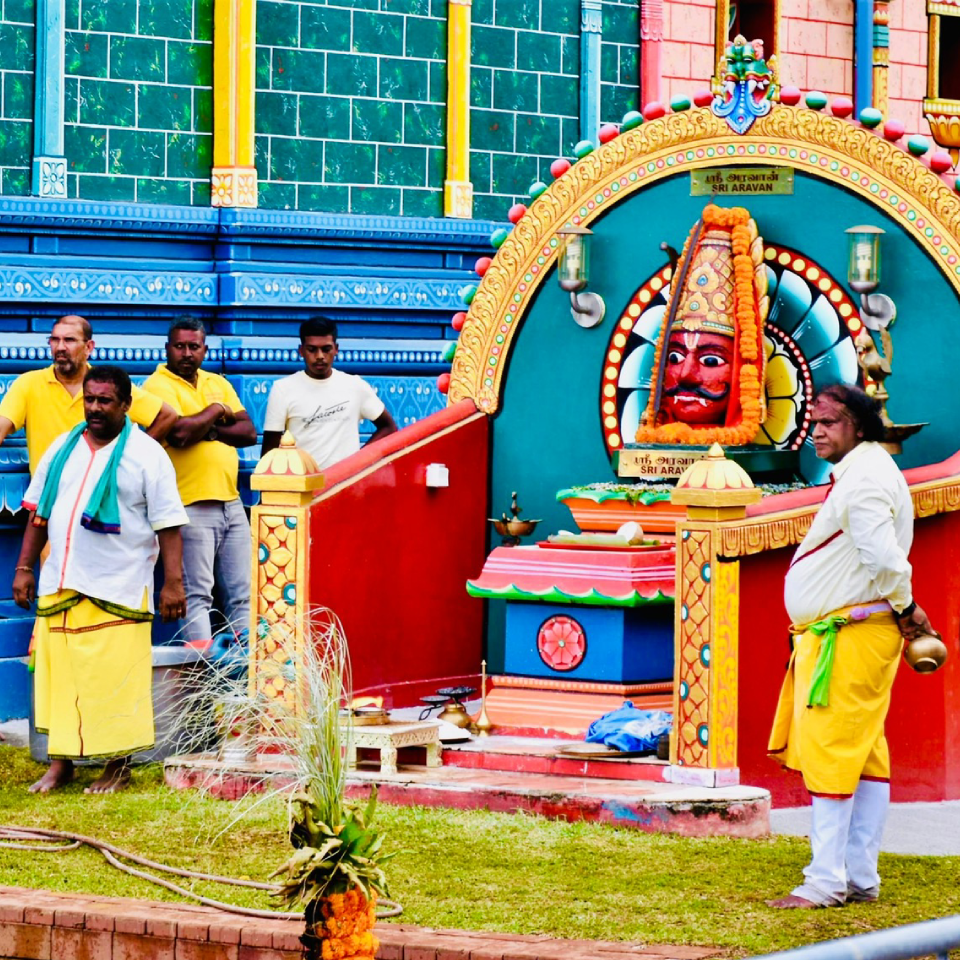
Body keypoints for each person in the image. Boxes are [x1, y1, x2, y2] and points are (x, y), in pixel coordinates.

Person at [767, 383, 937, 908]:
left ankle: (824, 882)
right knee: (863, 755)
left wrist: (908, 610)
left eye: (829, 422)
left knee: (834, 752)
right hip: (855, 631)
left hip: (852, 633)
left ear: (859, 427)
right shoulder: (866, 470)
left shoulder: (863, 479)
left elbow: (883, 557)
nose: (815, 430)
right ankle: (860, 878)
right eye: (811, 421)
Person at [12, 366, 187, 795]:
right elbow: (39, 511)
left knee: (115, 679)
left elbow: (169, 524)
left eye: (104, 401)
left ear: (126, 405)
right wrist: (24, 568)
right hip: (61, 582)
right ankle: (61, 764)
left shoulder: (147, 454)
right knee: (62, 677)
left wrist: (174, 583)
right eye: (89, 399)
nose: (94, 408)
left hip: (118, 585)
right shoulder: (62, 447)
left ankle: (117, 765)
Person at [143, 317, 257, 647]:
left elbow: (248, 432)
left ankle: (242, 680)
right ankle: (203, 684)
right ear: (167, 349)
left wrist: (205, 428)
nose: (187, 353)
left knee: (242, 595)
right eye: (180, 346)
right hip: (189, 506)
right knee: (197, 597)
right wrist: (217, 410)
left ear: (204, 349)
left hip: (232, 503)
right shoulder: (157, 386)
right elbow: (178, 433)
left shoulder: (217, 381)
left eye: (194, 346)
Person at [0, 314, 178, 473]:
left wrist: (127, 459)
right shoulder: (29, 384)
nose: (60, 347)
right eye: (54, 340)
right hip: (48, 498)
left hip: (99, 497)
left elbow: (167, 415)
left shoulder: (107, 385)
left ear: (89, 347)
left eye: (69, 340)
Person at [260, 315, 397, 469]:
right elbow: (269, 454)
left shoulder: (355, 386)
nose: (319, 356)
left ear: (336, 349)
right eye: (312, 350)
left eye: (326, 349)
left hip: (345, 486)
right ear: (301, 351)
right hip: (303, 487)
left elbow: (389, 428)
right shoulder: (283, 389)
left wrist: (358, 462)